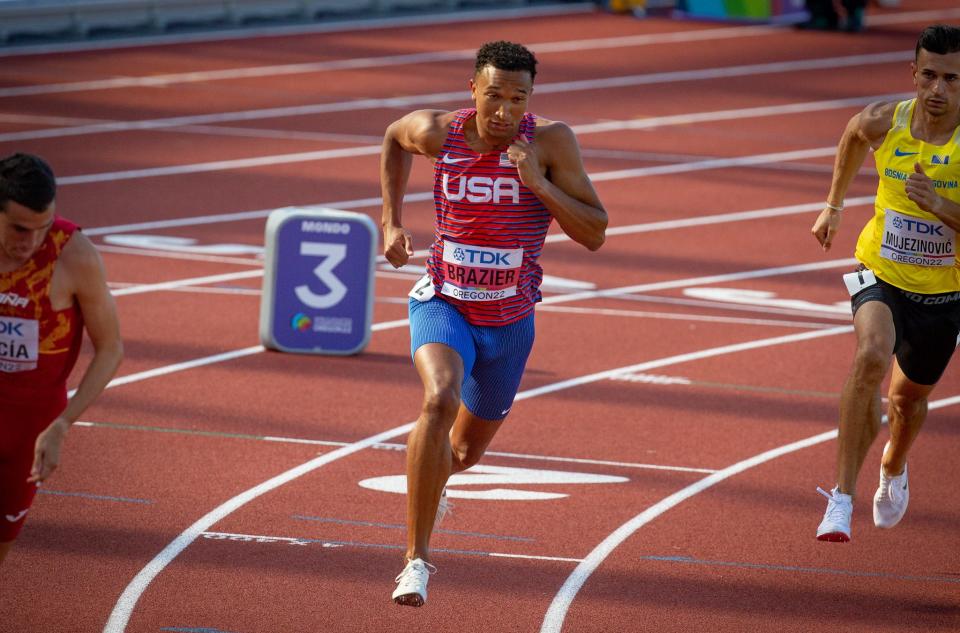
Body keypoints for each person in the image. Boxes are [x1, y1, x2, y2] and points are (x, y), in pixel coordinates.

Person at [380, 41, 607, 605]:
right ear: (473, 90)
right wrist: (390, 221)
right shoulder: (441, 133)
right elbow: (392, 137)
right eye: (495, 96)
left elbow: (595, 232)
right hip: (443, 300)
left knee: (463, 454)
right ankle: (416, 561)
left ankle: (436, 487)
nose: (506, 111)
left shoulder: (550, 142)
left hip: (509, 322)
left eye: (519, 97)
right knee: (438, 399)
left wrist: (539, 182)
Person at [811, 25, 960, 542]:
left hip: (944, 294)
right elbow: (853, 133)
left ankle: (893, 465)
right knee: (872, 354)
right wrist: (834, 204)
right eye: (929, 76)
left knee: (907, 402)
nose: (937, 90)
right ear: (913, 74)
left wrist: (941, 206)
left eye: (952, 79)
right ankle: (841, 499)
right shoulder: (886, 120)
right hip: (881, 269)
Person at [0, 153, 123, 565]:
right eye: (19, 228)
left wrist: (64, 424)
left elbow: (111, 348)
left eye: (43, 227)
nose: (31, 242)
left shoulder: (74, 255)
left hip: (30, 428)